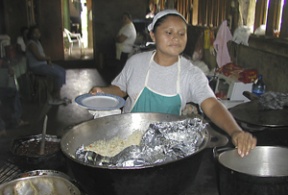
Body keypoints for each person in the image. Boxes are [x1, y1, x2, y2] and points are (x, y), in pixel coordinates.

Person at [90, 9, 256, 157]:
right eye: (169, 32)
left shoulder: (190, 74)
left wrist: (235, 131)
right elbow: (120, 89)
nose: (176, 38)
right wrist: (102, 91)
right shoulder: (136, 62)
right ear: (153, 35)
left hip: (164, 148)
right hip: (126, 141)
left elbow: (212, 105)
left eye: (181, 33)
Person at [26, 25, 68, 105]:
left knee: (62, 71)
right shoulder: (31, 44)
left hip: (43, 65)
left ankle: (55, 94)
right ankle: (54, 96)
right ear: (31, 34)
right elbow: (38, 57)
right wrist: (48, 58)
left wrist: (48, 61)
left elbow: (42, 55)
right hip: (36, 67)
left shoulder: (37, 42)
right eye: (35, 33)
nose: (37, 34)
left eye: (38, 32)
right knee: (58, 74)